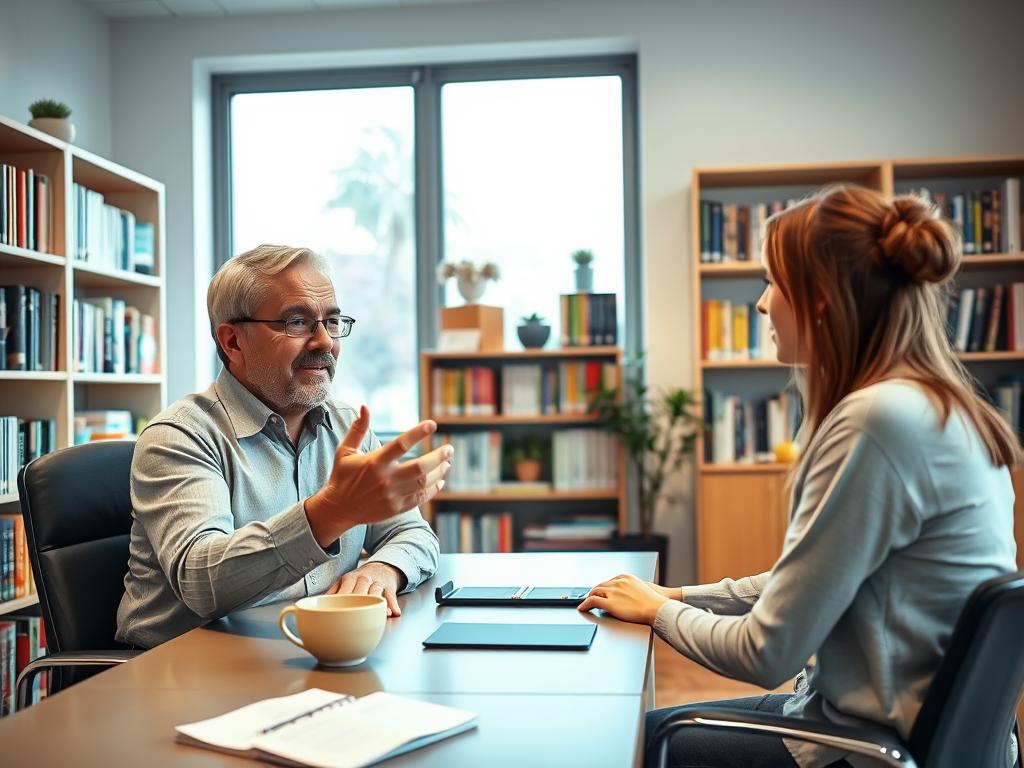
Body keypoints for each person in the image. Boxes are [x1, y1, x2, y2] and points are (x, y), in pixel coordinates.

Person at [578, 185, 1020, 767]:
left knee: (624, 747)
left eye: (773, 282)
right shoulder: (938, 406)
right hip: (901, 734)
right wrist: (677, 594)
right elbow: (800, 584)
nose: (761, 304)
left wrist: (658, 613)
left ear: (820, 300)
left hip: (867, 752)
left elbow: (767, 651)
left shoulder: (877, 422)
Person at [116, 244, 451, 649]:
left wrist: (383, 569)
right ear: (233, 342)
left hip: (303, 658)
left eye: (332, 320)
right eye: (297, 322)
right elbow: (202, 581)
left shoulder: (347, 425)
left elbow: (413, 533)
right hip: (184, 674)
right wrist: (329, 513)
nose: (324, 342)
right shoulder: (180, 436)